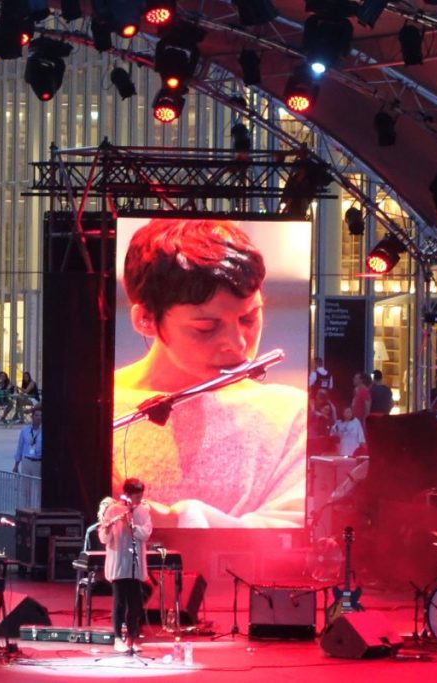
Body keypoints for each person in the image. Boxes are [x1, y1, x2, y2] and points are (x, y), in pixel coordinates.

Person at [113, 218, 306, 528]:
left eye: (249, 318)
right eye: (206, 327)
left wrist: (169, 520)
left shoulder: (290, 413)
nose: (238, 344)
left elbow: (290, 526)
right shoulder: (102, 407)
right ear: (146, 319)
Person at [98, 478, 153, 653]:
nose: (140, 497)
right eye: (137, 494)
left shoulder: (143, 511)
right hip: (119, 562)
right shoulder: (114, 510)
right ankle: (117, 638)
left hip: (135, 565)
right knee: (120, 602)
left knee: (135, 603)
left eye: (141, 494)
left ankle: (132, 638)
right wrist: (107, 528)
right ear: (128, 494)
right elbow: (104, 537)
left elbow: (146, 533)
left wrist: (133, 525)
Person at [12, 408, 42, 506]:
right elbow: (20, 447)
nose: (39, 418)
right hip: (27, 460)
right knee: (26, 488)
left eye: (41, 416)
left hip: (38, 461)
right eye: (36, 415)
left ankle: (39, 509)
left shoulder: (44, 431)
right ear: (32, 417)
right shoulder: (25, 430)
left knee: (39, 488)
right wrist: (16, 464)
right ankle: (26, 508)